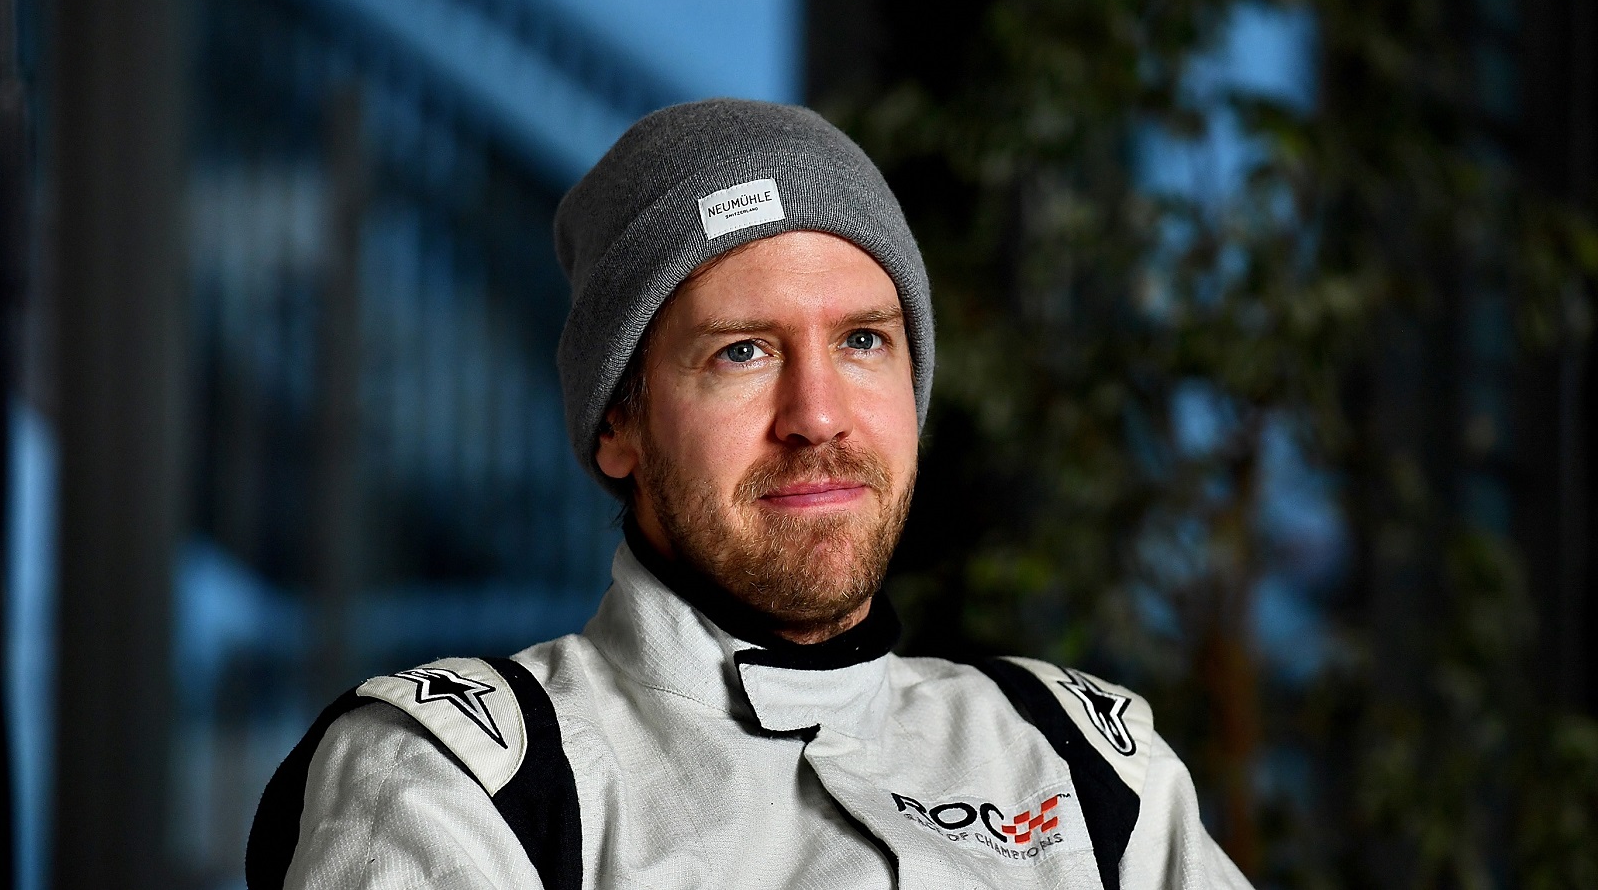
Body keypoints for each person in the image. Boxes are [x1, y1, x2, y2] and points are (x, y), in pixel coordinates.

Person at [246, 98, 1253, 890]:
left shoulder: (1085, 761)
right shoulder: (462, 779)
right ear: (617, 425)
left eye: (862, 340)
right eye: (741, 352)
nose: (817, 415)